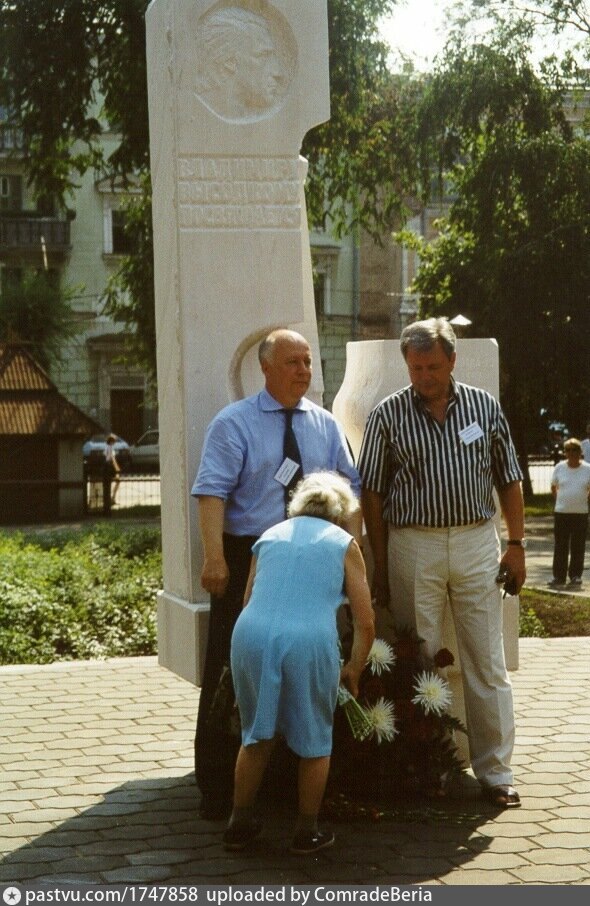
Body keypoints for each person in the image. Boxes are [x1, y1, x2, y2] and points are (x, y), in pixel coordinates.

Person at [191, 328, 361, 819]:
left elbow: (350, 490)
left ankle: (287, 783)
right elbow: (211, 491)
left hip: (311, 558)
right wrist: (214, 558)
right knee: (231, 668)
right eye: (292, 362)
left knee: (303, 666)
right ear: (265, 368)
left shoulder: (325, 425)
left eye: (308, 362)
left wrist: (353, 556)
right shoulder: (234, 423)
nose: (303, 371)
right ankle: (218, 786)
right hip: (251, 554)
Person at [358, 317, 526, 809]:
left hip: (476, 541)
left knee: (486, 660)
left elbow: (509, 477)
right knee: (421, 660)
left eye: (433, 366)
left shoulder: (483, 406)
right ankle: (429, 769)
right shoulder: (388, 414)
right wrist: (381, 562)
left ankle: (496, 772)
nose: (424, 377)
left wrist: (516, 544)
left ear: (452, 360)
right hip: (414, 543)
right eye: (415, 368)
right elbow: (372, 493)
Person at [222, 472, 374, 854]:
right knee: (315, 738)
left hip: (251, 634)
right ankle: (307, 832)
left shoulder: (269, 536)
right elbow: (365, 621)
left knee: (256, 734)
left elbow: (247, 599)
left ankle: (239, 823)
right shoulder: (343, 543)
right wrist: (354, 669)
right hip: (308, 640)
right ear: (339, 514)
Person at [548, 437, 590, 589]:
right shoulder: (559, 467)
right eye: (568, 450)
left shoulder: (587, 469)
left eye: (575, 450)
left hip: (580, 513)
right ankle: (558, 577)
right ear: (565, 452)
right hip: (562, 513)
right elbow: (554, 487)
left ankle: (575, 576)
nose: (571, 453)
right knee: (561, 546)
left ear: (580, 452)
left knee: (578, 546)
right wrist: (561, 500)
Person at [103, 434, 121, 510]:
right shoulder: (110, 447)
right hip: (110, 465)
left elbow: (105, 456)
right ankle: (112, 498)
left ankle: (112, 498)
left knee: (111, 482)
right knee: (117, 481)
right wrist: (117, 467)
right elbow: (112, 458)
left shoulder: (106, 447)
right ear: (111, 441)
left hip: (107, 465)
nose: (115, 442)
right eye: (114, 441)